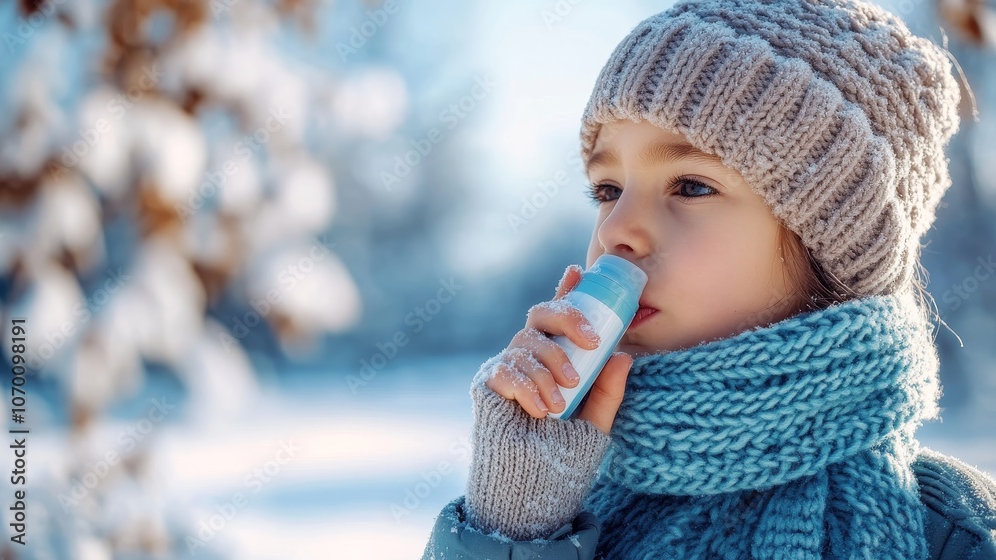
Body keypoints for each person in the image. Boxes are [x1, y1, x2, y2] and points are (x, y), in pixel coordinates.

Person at [422, 0, 996, 557]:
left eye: (691, 186)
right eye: (607, 190)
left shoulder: (953, 534)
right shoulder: (561, 515)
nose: (617, 230)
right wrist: (511, 527)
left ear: (830, 247)